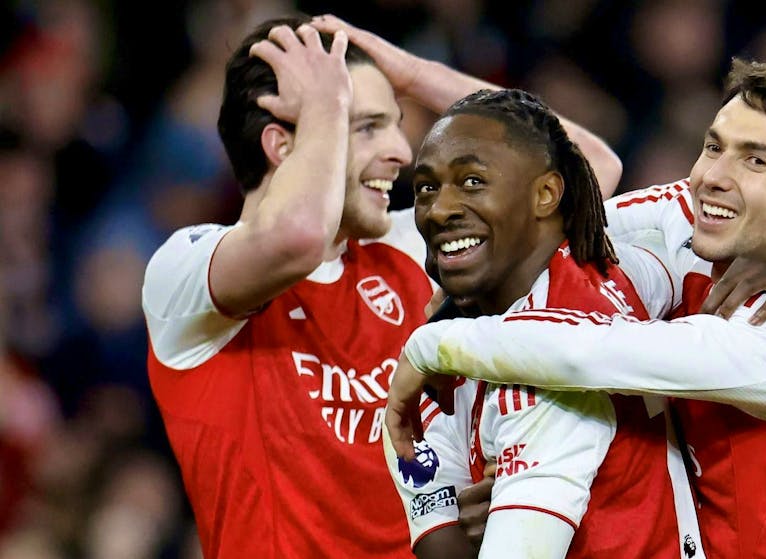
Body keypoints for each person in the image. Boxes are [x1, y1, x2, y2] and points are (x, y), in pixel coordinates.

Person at [388, 59, 766, 557]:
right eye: (714, 146)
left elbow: (589, 352)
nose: (713, 176)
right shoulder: (693, 219)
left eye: (756, 160)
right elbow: (561, 229)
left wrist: (434, 346)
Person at [140, 13, 625, 559]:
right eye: (367, 127)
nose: (402, 150)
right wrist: (327, 104)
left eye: (396, 122)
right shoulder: (185, 272)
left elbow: (586, 170)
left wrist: (415, 74)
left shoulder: (406, 249)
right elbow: (297, 235)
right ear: (281, 145)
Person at [383, 88, 704, 558]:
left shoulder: (540, 381)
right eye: (426, 187)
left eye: (472, 181)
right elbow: (436, 512)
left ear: (547, 194)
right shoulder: (632, 266)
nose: (439, 209)